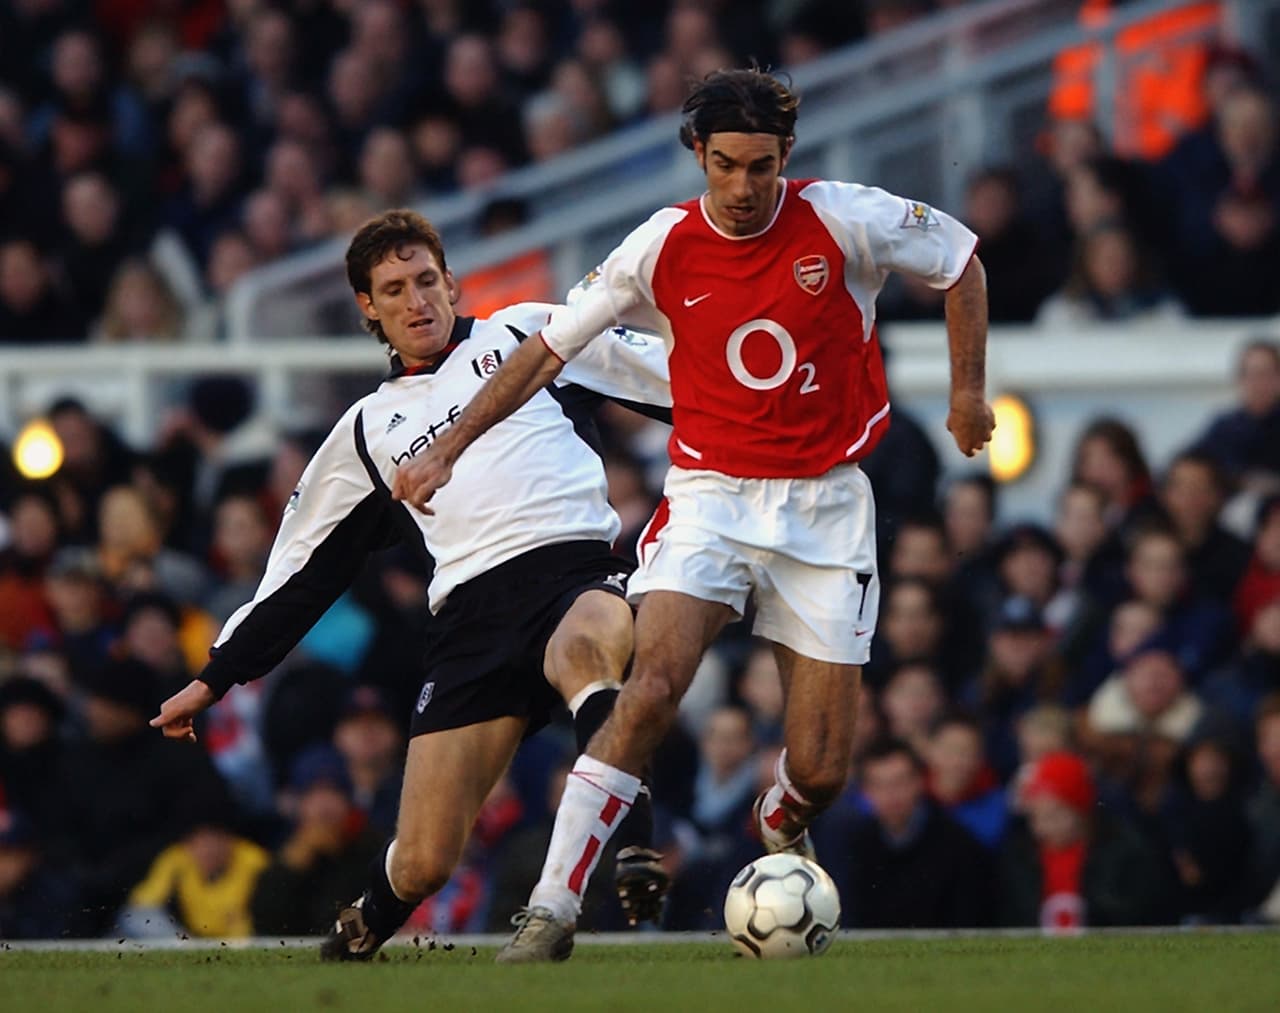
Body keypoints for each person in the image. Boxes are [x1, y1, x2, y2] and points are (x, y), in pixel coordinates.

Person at [393, 67, 994, 961]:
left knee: (823, 767)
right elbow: (547, 350)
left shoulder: (844, 217)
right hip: (712, 498)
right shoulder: (660, 243)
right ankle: (552, 905)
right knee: (651, 688)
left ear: (786, 156)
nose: (743, 187)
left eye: (761, 166)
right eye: (725, 165)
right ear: (699, 156)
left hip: (828, 505)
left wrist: (968, 393)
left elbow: (961, 262)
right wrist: (448, 446)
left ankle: (781, 817)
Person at [149, 209, 674, 960]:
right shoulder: (365, 431)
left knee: (587, 648)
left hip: (575, 573)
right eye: (394, 289)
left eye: (426, 280)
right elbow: (300, 571)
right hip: (470, 624)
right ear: (368, 306)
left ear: (452, 282)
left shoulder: (533, 332)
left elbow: (677, 382)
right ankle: (364, 923)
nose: (416, 300)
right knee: (423, 859)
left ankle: (634, 848)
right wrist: (215, 676)